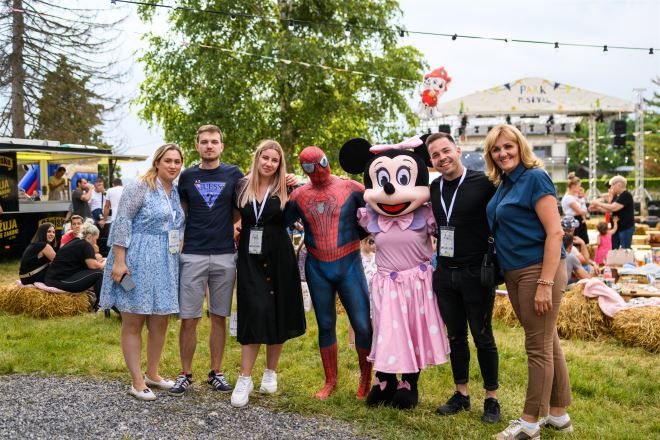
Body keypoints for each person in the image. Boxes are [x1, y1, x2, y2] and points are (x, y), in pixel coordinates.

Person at [484, 124, 572, 439]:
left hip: (539, 269)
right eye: (496, 149)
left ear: (520, 147)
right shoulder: (505, 183)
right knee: (547, 340)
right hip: (515, 271)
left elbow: (555, 232)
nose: (503, 153)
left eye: (508, 146)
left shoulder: (535, 178)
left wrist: (545, 283)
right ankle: (559, 415)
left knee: (537, 346)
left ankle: (529, 423)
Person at [99, 143, 185, 401]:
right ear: (157, 162)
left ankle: (153, 374)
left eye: (177, 161)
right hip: (136, 258)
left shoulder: (175, 191)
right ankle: (137, 381)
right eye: (168, 160)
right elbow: (123, 221)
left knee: (160, 320)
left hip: (165, 261)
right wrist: (119, 261)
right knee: (134, 320)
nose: (173, 165)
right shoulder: (140, 186)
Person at [287, 146, 373, 401]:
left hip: (349, 264)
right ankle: (330, 381)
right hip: (317, 267)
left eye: (321, 162)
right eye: (310, 166)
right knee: (325, 325)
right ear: (303, 169)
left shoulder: (351, 188)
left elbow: (381, 211)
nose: (318, 169)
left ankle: (366, 379)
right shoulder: (299, 196)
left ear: (327, 160)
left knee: (362, 324)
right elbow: (277, 222)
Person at [427, 132, 501, 423]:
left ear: (457, 150)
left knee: (483, 336)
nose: (442, 158)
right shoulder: (434, 188)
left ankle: (491, 399)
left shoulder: (484, 183)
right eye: (435, 155)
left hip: (476, 273)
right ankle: (461, 394)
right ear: (431, 161)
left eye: (446, 151)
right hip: (445, 273)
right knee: (456, 336)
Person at [229, 140, 306, 408]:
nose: (269, 163)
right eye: (265, 158)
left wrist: (297, 182)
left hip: (279, 256)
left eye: (275, 160)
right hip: (250, 258)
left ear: (280, 163)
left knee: (278, 310)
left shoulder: (288, 187)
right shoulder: (241, 186)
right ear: (257, 158)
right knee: (254, 310)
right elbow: (232, 217)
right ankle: (244, 378)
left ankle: (271, 371)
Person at [169, 125, 244, 396]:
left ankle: (216, 372)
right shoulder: (187, 176)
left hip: (224, 254)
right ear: (197, 146)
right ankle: (185, 373)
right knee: (189, 318)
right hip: (193, 254)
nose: (209, 146)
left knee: (219, 316)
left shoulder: (234, 174)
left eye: (214, 141)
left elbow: (237, 211)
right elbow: (183, 212)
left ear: (221, 145)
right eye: (204, 142)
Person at [44, 221, 105, 298]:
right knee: (99, 273)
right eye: (96, 239)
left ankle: (97, 301)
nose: (96, 242)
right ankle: (101, 303)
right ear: (89, 237)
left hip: (52, 280)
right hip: (60, 281)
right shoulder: (85, 244)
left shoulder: (76, 241)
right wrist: (104, 264)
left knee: (96, 272)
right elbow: (93, 266)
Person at [590, 175, 635, 249]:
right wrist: (597, 208)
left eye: (613, 185)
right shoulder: (618, 196)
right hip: (616, 228)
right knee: (613, 249)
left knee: (625, 250)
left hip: (625, 228)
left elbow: (613, 208)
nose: (611, 187)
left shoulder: (626, 195)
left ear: (619, 184)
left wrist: (597, 203)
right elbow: (609, 209)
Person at [561, 173, 589, 244]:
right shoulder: (568, 198)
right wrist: (587, 210)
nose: (580, 188)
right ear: (573, 186)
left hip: (578, 220)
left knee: (582, 242)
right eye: (579, 186)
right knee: (577, 242)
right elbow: (580, 211)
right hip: (573, 221)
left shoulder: (573, 196)